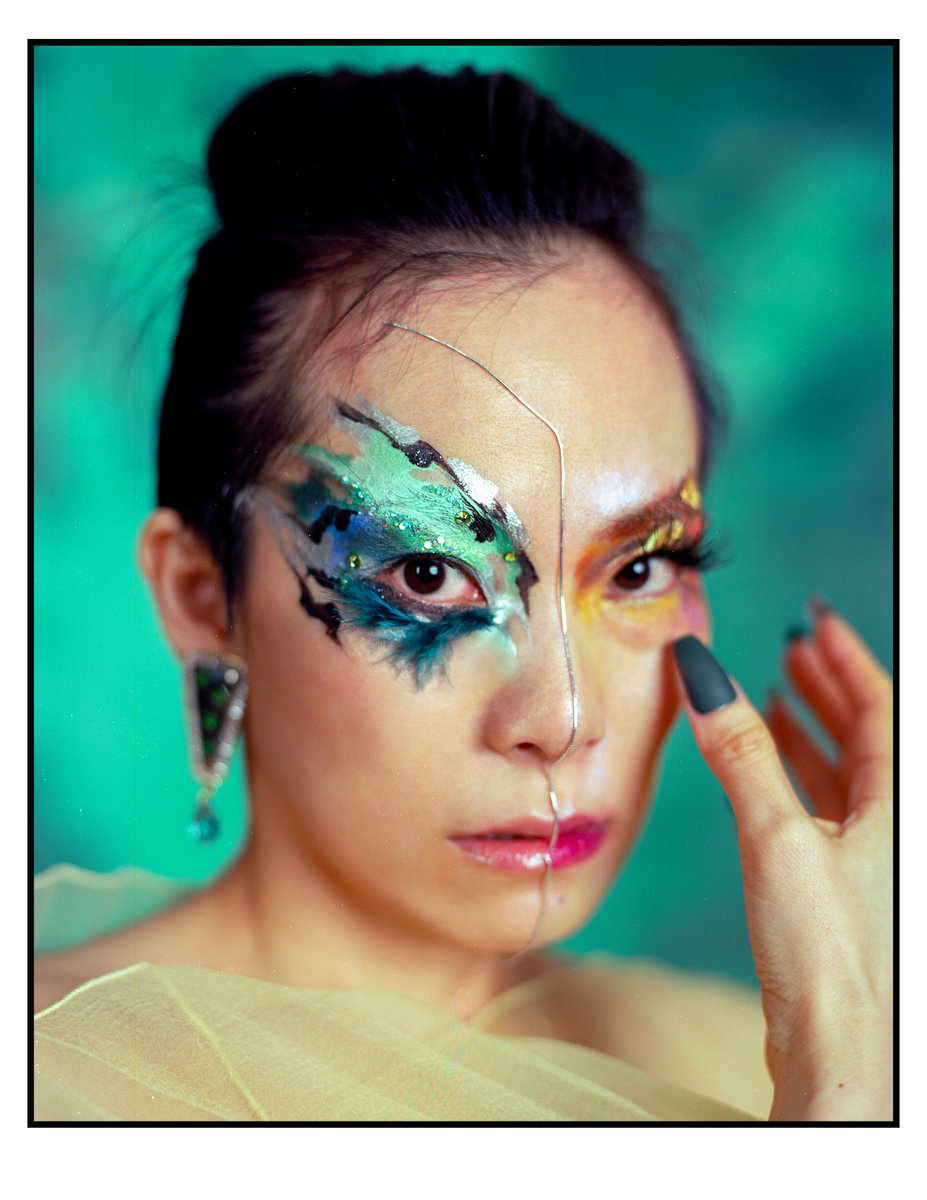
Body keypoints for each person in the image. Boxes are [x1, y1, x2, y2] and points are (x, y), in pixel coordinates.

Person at [33, 67, 893, 1122]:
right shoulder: (56, 1093)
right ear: (201, 594)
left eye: (637, 569)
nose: (561, 720)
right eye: (428, 574)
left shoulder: (786, 1057)